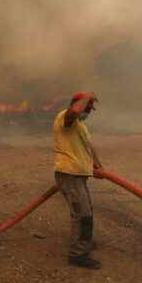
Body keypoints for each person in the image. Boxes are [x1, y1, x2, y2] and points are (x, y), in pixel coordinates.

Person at [53, 92, 103, 269]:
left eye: (90, 108)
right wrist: (87, 96)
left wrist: (98, 165)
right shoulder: (65, 117)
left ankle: (84, 242)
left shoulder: (80, 125)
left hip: (78, 175)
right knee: (82, 215)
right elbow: (73, 112)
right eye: (87, 107)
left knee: (86, 211)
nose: (89, 111)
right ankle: (77, 254)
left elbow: (88, 146)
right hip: (69, 175)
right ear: (76, 103)